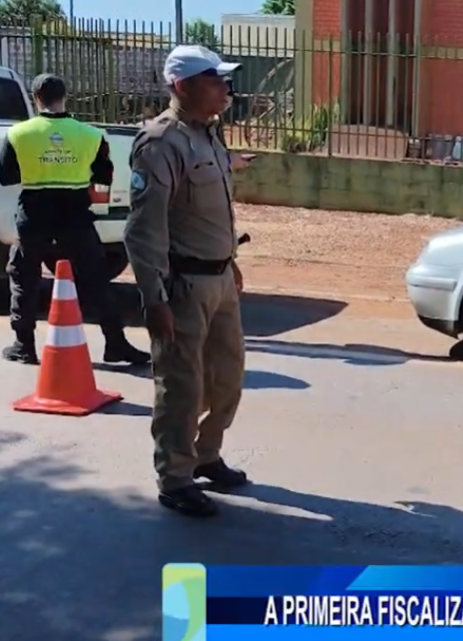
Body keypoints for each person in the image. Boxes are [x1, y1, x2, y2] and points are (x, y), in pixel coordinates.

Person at [125, 45, 247, 518]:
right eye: (214, 80)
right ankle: (175, 477)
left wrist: (231, 259)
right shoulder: (161, 143)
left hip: (218, 279)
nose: (225, 89)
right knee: (181, 386)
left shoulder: (210, 137)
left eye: (224, 80)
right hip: (182, 285)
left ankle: (205, 455)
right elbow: (145, 227)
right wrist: (153, 298)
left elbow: (215, 212)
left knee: (227, 377)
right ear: (182, 86)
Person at [0, 74, 150, 366]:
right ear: (64, 97)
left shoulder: (18, 134)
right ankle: (116, 344)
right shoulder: (91, 135)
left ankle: (24, 345)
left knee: (24, 278)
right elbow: (104, 176)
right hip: (76, 216)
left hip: (34, 214)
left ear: (36, 98)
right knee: (96, 280)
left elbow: (5, 176)